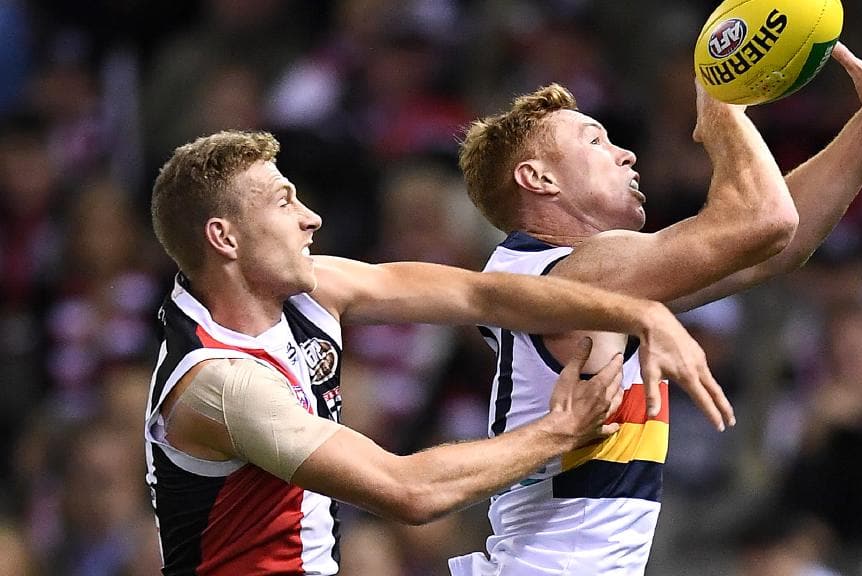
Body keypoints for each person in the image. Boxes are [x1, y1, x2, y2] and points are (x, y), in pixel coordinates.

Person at [450, 12, 862, 575]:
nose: (625, 154)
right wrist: (722, 100)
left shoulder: (581, 279)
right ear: (540, 180)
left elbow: (776, 246)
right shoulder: (570, 277)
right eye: (595, 141)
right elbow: (765, 221)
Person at [143, 129, 730, 575]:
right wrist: (561, 429)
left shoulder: (317, 287)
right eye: (282, 202)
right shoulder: (219, 383)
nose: (311, 218)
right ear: (224, 238)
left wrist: (638, 311)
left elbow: (480, 294)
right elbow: (409, 492)